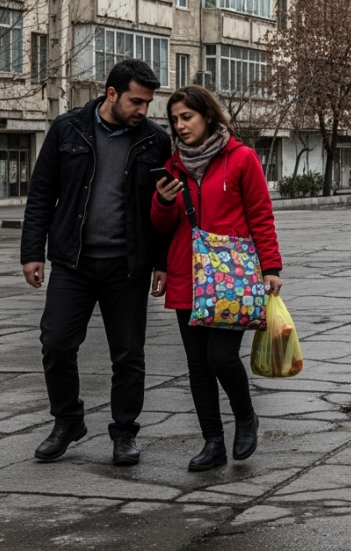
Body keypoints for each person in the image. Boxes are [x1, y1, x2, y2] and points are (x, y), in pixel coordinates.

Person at [21, 59, 172, 466]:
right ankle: (68, 421)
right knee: (55, 343)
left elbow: (163, 208)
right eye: (137, 101)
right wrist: (32, 252)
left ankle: (124, 433)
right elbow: (41, 194)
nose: (144, 110)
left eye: (148, 103)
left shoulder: (155, 140)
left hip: (128, 266)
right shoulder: (67, 129)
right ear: (111, 93)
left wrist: (161, 262)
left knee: (128, 354)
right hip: (73, 262)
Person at [151, 85, 283, 472]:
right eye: (174, 120)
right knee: (196, 364)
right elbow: (162, 224)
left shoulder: (241, 158)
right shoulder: (173, 166)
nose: (180, 126)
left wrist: (271, 268)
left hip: (231, 276)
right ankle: (212, 442)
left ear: (207, 116)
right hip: (187, 275)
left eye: (186, 117)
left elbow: (261, 215)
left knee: (220, 357)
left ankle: (246, 418)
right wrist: (162, 200)